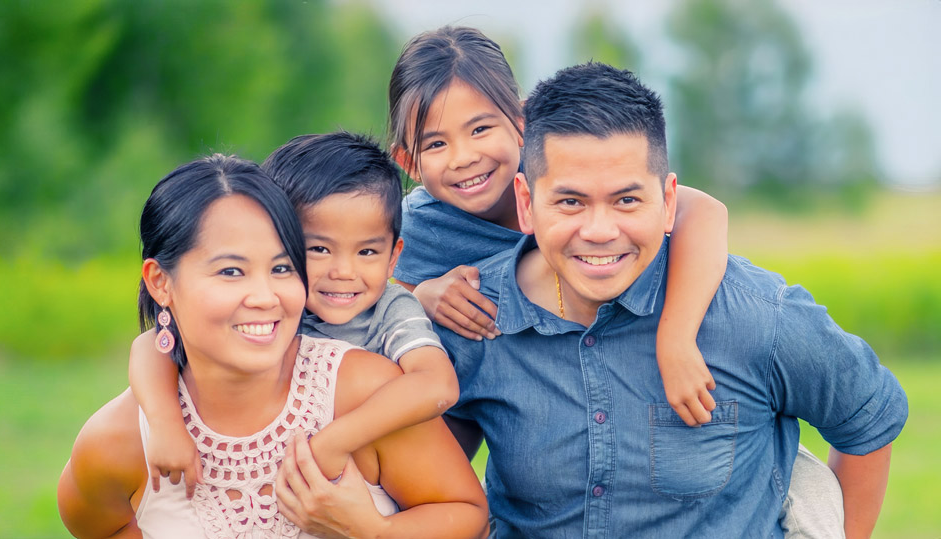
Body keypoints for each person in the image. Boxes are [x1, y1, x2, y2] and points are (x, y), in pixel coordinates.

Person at [431, 63, 906, 537]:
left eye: (627, 201)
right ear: (525, 202)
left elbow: (867, 419)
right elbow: (425, 488)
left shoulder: (758, 316)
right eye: (570, 202)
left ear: (669, 199)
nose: (599, 232)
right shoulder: (471, 322)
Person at [57, 154, 488, 538]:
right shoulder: (121, 439)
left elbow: (467, 515)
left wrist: (371, 531)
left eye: (282, 267)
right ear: (160, 282)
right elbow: (97, 525)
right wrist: (165, 421)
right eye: (230, 272)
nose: (265, 296)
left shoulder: (366, 390)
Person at [387, 26, 726, 428]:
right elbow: (383, 311)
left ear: (522, 123)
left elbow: (704, 211)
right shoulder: (420, 228)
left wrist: (676, 339)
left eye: (480, 129)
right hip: (516, 390)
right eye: (436, 145)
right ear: (409, 163)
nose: (463, 157)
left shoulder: (560, 176)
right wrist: (420, 297)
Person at [128, 132, 460, 496]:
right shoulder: (281, 304)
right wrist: (165, 424)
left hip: (375, 483)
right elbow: (154, 344)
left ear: (394, 256)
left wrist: (336, 441)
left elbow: (437, 384)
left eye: (366, 252)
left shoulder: (390, 311)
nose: (343, 272)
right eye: (318, 248)